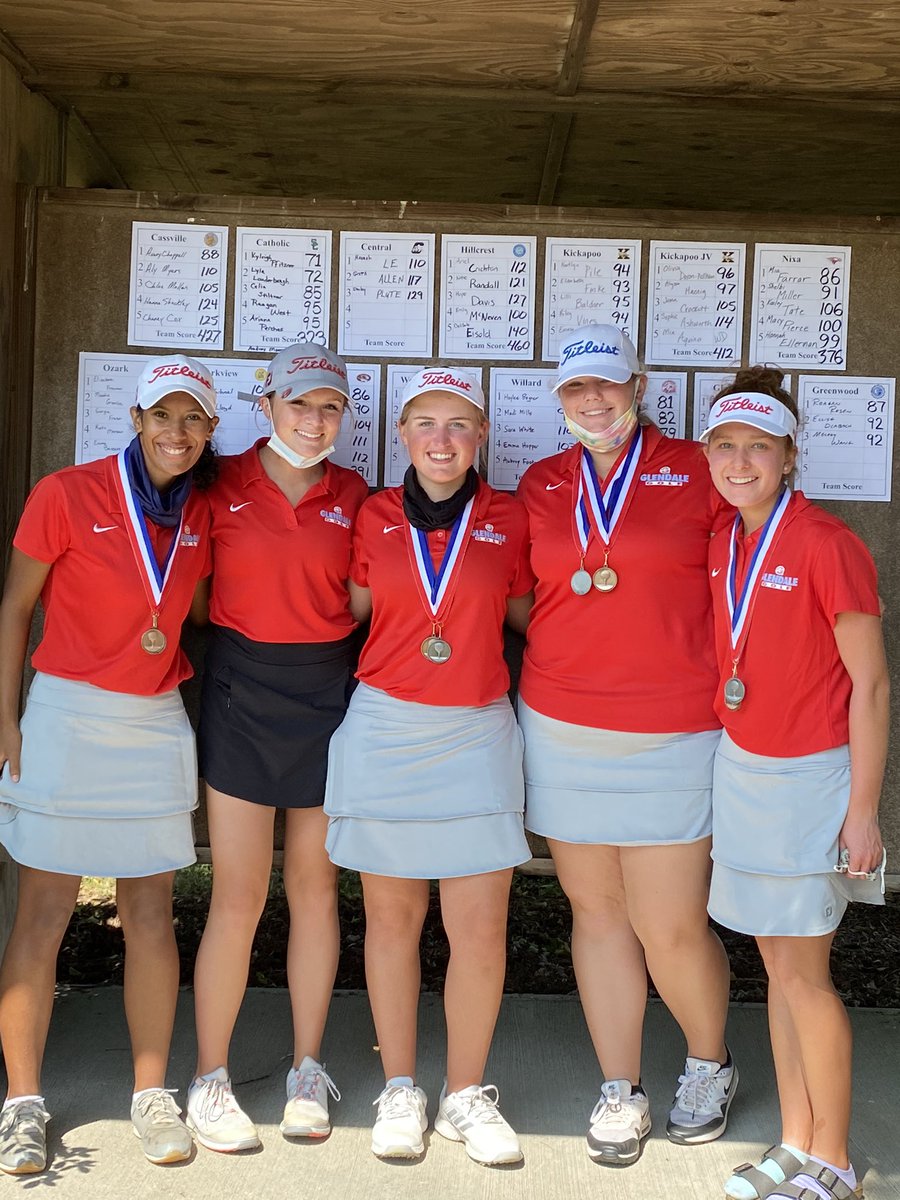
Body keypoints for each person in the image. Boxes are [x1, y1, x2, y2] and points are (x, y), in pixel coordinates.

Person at [516, 324, 736, 1166]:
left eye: (607, 385)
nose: (594, 402)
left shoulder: (698, 469)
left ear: (638, 385)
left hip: (675, 727)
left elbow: (749, 573)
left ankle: (708, 1064)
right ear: (560, 400)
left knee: (668, 921)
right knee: (598, 912)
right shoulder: (542, 483)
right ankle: (621, 1086)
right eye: (576, 390)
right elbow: (524, 596)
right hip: (564, 724)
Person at [0, 354, 219, 1172]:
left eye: (194, 419)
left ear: (210, 430)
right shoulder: (65, 492)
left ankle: (151, 1093)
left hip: (155, 722)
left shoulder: (203, 511)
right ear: (135, 420)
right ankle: (22, 1102)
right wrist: (7, 719)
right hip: (64, 715)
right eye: (163, 417)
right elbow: (14, 607)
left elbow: (191, 606)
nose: (178, 432)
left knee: (152, 914)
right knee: (44, 912)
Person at [324, 367, 533, 1166]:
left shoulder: (509, 519)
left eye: (458, 425)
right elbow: (355, 613)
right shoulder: (372, 516)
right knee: (392, 921)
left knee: (479, 928)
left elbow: (519, 617)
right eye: (426, 425)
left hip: (477, 730)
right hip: (386, 729)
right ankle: (403, 1088)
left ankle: (466, 1095)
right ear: (402, 436)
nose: (442, 440)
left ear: (480, 438)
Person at [700, 369, 886, 1200]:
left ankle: (836, 1163)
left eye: (759, 448)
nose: (741, 461)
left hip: (812, 779)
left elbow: (873, 688)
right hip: (743, 770)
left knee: (806, 976)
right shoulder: (725, 539)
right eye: (727, 446)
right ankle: (794, 1143)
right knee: (774, 968)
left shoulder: (826, 543)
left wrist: (863, 813)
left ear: (787, 456)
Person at [187, 343, 367, 1152]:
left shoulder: (356, 493)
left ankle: (305, 1070)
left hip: (329, 690)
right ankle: (210, 1076)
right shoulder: (217, 481)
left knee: (316, 888)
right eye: (300, 405)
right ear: (266, 407)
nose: (315, 421)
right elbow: (189, 596)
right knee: (238, 891)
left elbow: (365, 602)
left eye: (330, 407)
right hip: (242, 690)